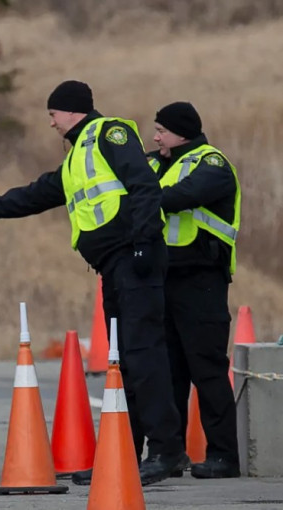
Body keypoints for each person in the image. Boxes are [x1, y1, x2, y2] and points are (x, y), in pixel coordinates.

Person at [0, 80, 187, 486]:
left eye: (52, 114)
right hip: (113, 267)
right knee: (124, 360)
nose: (50, 123)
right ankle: (124, 454)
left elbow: (144, 186)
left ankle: (167, 451)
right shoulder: (76, 159)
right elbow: (30, 196)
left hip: (134, 260)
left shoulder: (109, 133)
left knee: (143, 353)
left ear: (70, 111)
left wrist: (145, 245)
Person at [147, 101, 241, 478]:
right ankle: (171, 455)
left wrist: (139, 197)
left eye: (160, 130)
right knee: (169, 372)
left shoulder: (212, 164)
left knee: (208, 371)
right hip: (164, 279)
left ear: (181, 133)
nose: (154, 137)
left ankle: (224, 456)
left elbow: (181, 197)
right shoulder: (154, 163)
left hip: (202, 281)